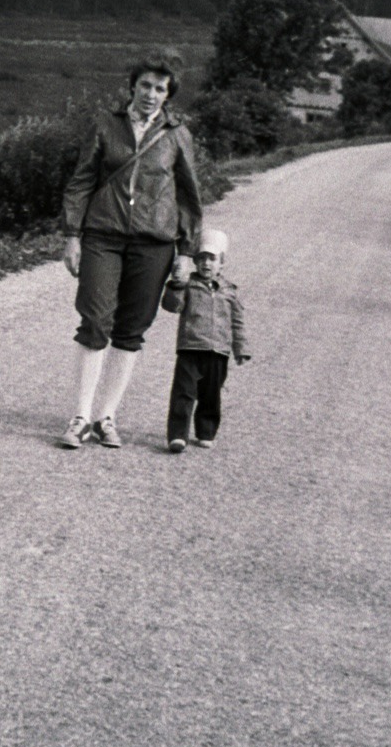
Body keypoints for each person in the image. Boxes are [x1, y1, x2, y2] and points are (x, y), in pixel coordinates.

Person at [58, 55, 203, 449]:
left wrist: (187, 252)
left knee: (131, 329)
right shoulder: (106, 125)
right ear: (132, 87)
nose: (151, 95)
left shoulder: (177, 134)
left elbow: (190, 198)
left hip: (154, 243)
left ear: (168, 94)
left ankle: (107, 417)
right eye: (145, 86)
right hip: (102, 236)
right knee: (95, 320)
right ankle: (80, 417)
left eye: (160, 88)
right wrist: (72, 235)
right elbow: (81, 182)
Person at [161, 227, 249, 452]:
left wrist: (240, 348)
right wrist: (175, 285)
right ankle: (178, 435)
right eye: (201, 259)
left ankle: (205, 431)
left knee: (211, 394)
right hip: (190, 347)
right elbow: (173, 306)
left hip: (218, 351)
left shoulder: (230, 291)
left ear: (222, 263)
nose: (206, 264)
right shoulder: (189, 285)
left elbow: (237, 322)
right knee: (183, 392)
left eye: (211, 259)